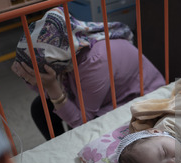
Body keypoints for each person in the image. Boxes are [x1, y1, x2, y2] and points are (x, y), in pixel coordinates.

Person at [11, 7, 165, 140]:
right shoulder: (71, 50)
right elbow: (48, 94)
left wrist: (52, 87)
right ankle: (62, 147)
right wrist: (34, 81)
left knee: (77, 129)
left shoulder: (94, 61)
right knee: (40, 107)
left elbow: (81, 123)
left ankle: (69, 150)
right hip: (108, 94)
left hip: (137, 99)